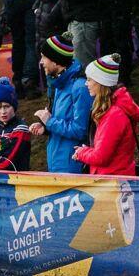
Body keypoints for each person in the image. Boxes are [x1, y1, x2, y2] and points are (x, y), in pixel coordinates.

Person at [72, 55, 139, 177]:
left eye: (89, 79)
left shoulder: (114, 115)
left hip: (113, 184)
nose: (85, 84)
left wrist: (81, 153)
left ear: (101, 82)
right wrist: (87, 150)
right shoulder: (112, 110)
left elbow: (101, 157)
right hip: (112, 180)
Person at [32, 32, 89, 174]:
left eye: (44, 57)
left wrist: (49, 121)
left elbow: (80, 130)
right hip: (58, 162)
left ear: (56, 61)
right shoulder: (59, 83)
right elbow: (63, 121)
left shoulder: (80, 87)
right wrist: (46, 128)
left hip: (73, 166)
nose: (41, 62)